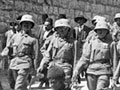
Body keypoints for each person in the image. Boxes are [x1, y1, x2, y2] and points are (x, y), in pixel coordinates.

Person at [72, 21, 116, 90]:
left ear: (107, 31)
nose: (100, 32)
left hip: (104, 71)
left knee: (101, 88)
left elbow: (114, 61)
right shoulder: (91, 42)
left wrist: (115, 78)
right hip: (91, 71)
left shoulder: (111, 44)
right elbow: (84, 58)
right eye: (98, 30)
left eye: (102, 30)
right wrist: (77, 70)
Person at [37, 18, 74, 88]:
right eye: (59, 28)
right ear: (56, 30)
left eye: (64, 28)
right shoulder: (54, 40)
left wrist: (76, 72)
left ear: (68, 30)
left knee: (65, 86)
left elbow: (76, 59)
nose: (62, 30)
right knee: (54, 85)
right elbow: (48, 55)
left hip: (66, 67)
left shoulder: (72, 43)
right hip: (54, 65)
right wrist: (42, 65)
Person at [6, 14, 37, 90]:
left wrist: (34, 70)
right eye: (24, 23)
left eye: (28, 23)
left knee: (18, 86)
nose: (26, 25)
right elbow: (9, 48)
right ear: (21, 24)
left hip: (25, 63)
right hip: (15, 63)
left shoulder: (33, 39)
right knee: (21, 86)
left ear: (31, 26)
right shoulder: (15, 36)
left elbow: (36, 55)